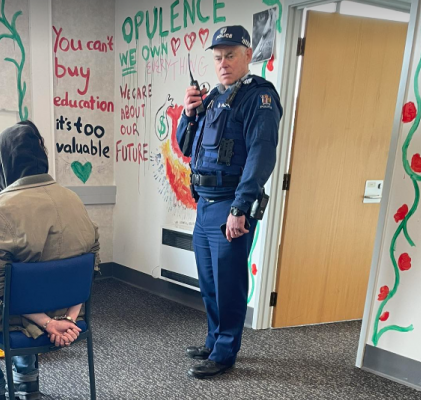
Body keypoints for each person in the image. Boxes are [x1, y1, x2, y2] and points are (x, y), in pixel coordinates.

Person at [176, 26, 283, 379]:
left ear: (248, 55)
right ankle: (213, 340)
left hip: (230, 204)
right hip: (205, 203)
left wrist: (240, 208)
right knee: (209, 281)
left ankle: (224, 353)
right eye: (218, 57)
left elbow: (260, 156)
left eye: (231, 55)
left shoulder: (259, 98)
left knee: (229, 283)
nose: (223, 63)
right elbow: (186, 147)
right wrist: (188, 114)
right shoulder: (212, 100)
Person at [0, 120, 101, 399]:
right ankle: (28, 383)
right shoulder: (73, 199)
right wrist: (67, 318)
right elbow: (90, 265)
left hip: (21, 318)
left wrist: (47, 324)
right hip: (70, 312)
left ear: (2, 163)